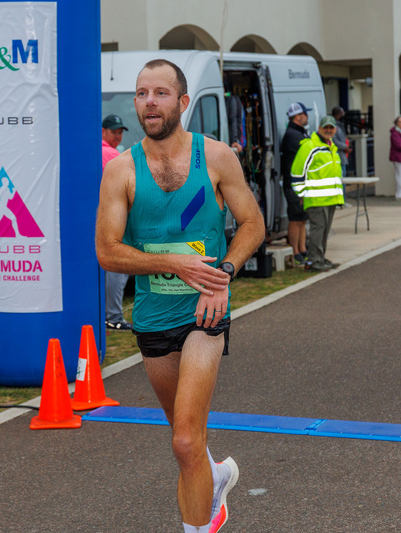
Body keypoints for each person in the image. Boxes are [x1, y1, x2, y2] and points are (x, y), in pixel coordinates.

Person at [96, 58, 265, 533]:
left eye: (161, 93)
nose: (149, 102)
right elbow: (107, 251)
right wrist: (174, 263)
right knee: (184, 438)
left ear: (183, 101)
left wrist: (223, 273)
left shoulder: (215, 158)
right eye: (142, 93)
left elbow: (252, 224)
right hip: (153, 316)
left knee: (186, 441)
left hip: (204, 312)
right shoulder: (121, 171)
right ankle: (216, 475)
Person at [291, 115, 345, 272]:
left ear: (335, 130)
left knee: (324, 231)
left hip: (330, 198)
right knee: (318, 230)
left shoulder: (331, 147)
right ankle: (314, 260)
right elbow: (297, 172)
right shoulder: (310, 146)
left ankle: (320, 258)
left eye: (331, 128)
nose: (328, 130)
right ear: (319, 128)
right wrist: (302, 194)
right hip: (316, 198)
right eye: (325, 127)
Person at [101, 114, 132, 330]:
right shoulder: (112, 155)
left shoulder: (94, 151)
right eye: (114, 132)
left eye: (120, 132)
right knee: (118, 267)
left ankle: (105, 315)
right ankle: (113, 317)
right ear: (103, 131)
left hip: (98, 218)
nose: (118, 136)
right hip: (113, 219)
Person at [280, 102, 311, 266]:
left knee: (302, 219)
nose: (307, 117)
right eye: (305, 114)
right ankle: (295, 252)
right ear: (298, 116)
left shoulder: (298, 133)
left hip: (301, 184)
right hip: (294, 184)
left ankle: (303, 249)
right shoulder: (293, 135)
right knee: (295, 218)